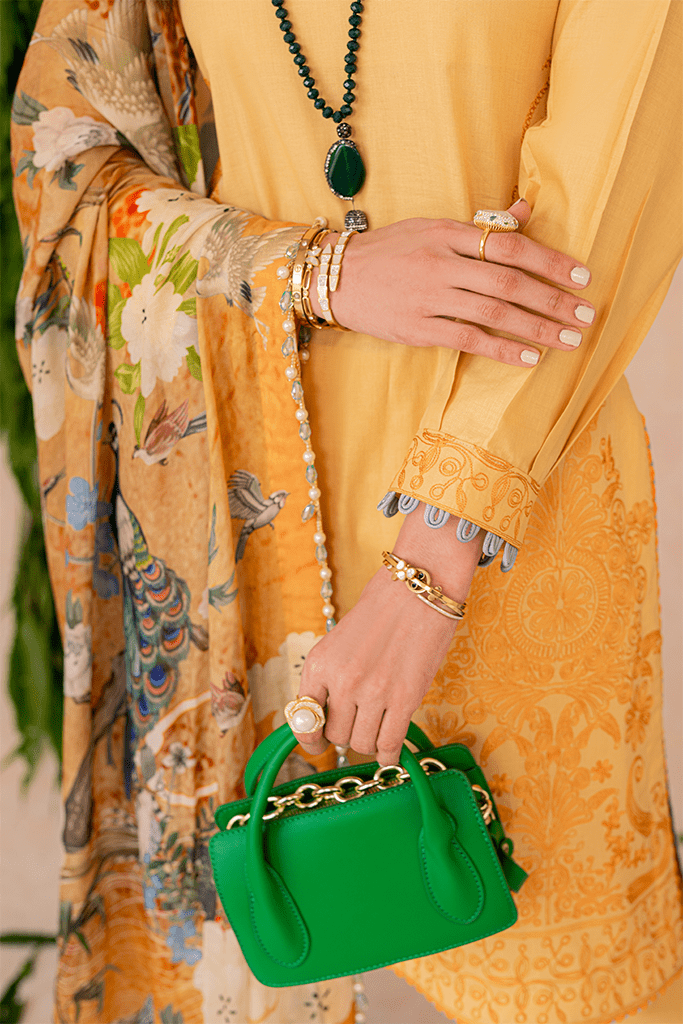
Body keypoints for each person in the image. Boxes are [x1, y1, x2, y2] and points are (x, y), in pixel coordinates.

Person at [11, 0, 682, 1021]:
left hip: (513, 528)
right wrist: (314, 270)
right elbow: (66, 164)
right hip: (237, 539)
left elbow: (598, 212)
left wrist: (432, 557)